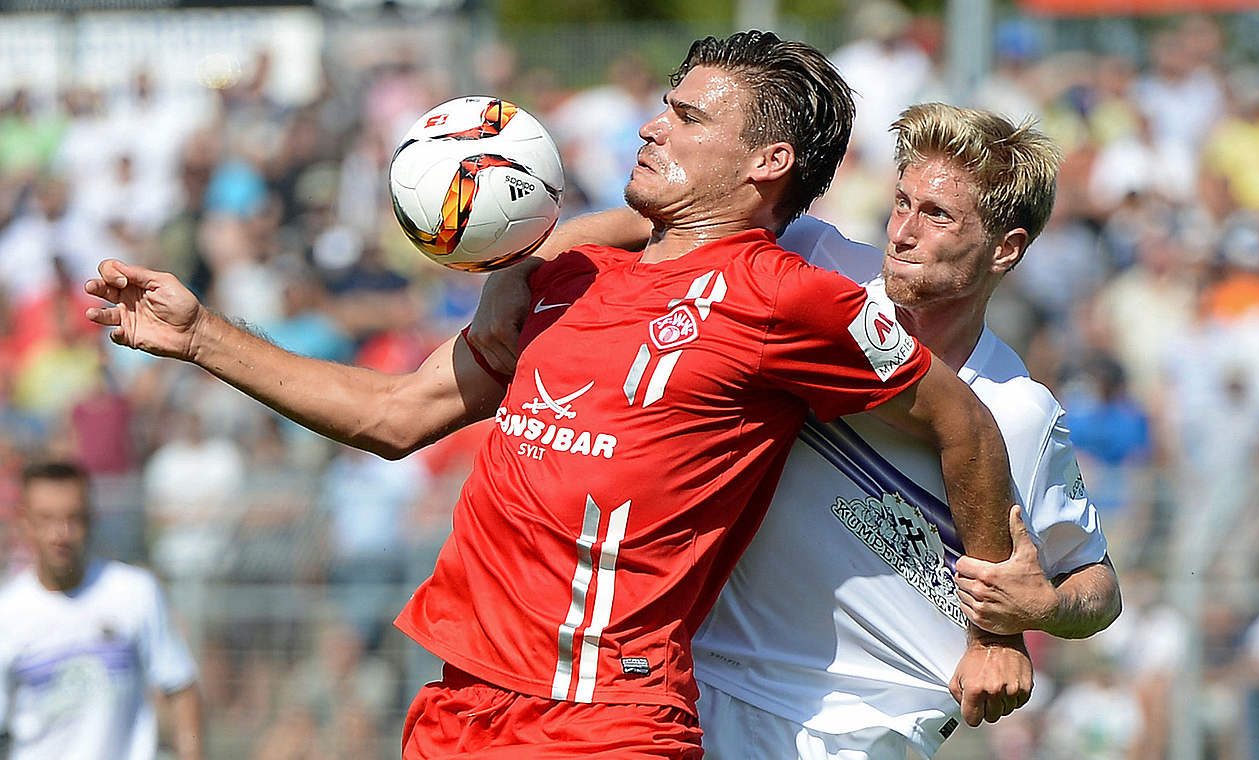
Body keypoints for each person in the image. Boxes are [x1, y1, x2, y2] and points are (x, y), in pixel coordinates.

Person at [84, 32, 1026, 758]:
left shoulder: (789, 297)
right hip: (458, 699)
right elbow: (392, 416)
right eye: (663, 107)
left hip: (603, 715)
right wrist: (201, 337)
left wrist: (995, 628)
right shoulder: (569, 277)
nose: (653, 126)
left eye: (690, 117)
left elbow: (964, 420)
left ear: (768, 162)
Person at [469, 102, 1122, 759]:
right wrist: (519, 269)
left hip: (857, 729)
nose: (902, 231)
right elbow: (656, 221)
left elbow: (1096, 586)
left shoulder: (1018, 411)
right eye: (902, 203)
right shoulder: (816, 262)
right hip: (694, 680)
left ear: (1005, 249)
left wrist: (1038, 608)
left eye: (937, 215)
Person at [0, 460, 203, 760]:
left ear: (91, 518)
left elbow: (180, 686)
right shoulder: (8, 612)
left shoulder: (135, 591)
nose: (61, 534)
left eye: (73, 518)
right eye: (46, 519)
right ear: (25, 522)